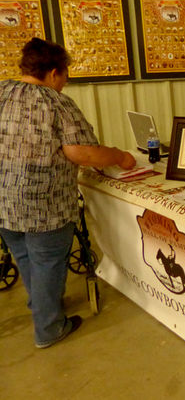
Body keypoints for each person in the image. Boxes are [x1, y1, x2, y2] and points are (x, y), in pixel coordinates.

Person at [0, 38, 136, 349]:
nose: (65, 82)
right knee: (48, 262)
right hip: (44, 204)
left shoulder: (1, 91)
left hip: (2, 202)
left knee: (25, 257)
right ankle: (49, 328)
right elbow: (82, 153)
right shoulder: (55, 102)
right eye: (65, 75)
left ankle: (40, 308)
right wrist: (118, 155)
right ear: (52, 72)